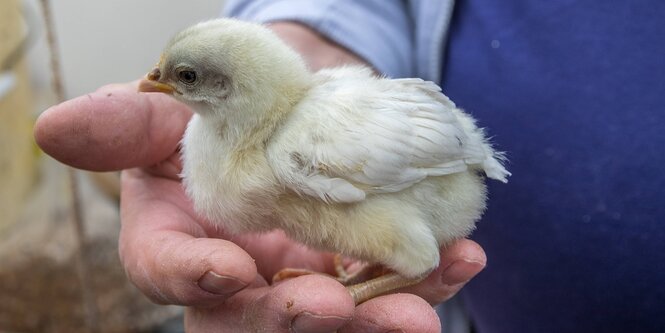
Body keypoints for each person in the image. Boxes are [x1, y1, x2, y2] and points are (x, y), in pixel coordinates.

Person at [35, 0, 665, 332]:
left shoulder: (299, 146)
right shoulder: (261, 122)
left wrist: (354, 290)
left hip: (437, 177)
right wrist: (316, 24)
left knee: (415, 263)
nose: (155, 82)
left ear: (229, 89)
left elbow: (445, 143)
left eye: (185, 77)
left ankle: (366, 281)